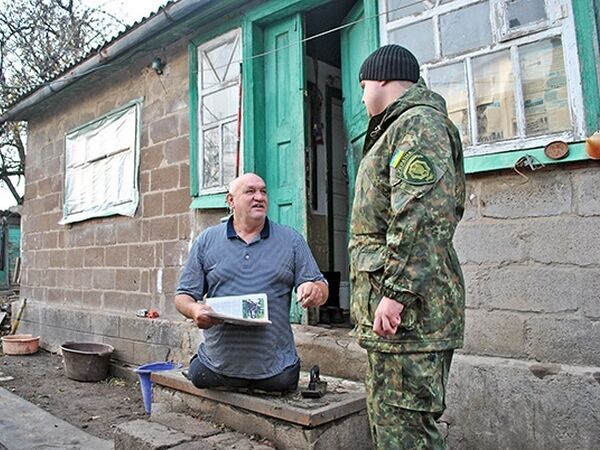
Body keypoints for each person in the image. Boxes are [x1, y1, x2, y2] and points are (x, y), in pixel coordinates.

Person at [348, 44, 466, 449]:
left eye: (363, 85)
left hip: (408, 316)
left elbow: (421, 215)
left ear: (382, 79)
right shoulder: (395, 128)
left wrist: (396, 294)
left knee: (407, 433)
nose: (362, 96)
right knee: (392, 425)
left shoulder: (417, 125)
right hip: (399, 320)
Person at [175, 173, 328, 392]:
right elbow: (182, 296)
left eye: (263, 191)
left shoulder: (291, 240)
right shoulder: (206, 241)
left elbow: (321, 287)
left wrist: (314, 289)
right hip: (218, 364)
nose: (259, 197)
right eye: (250, 191)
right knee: (200, 375)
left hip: (275, 367)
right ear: (231, 201)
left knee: (282, 383)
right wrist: (194, 309)